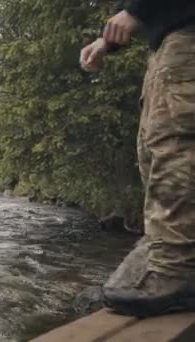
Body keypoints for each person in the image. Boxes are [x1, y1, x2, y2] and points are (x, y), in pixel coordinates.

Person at [80, 1, 195, 318]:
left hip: (186, 40)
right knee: (155, 151)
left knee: (174, 148)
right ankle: (171, 264)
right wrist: (108, 38)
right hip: (172, 41)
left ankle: (174, 271)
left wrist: (137, 11)